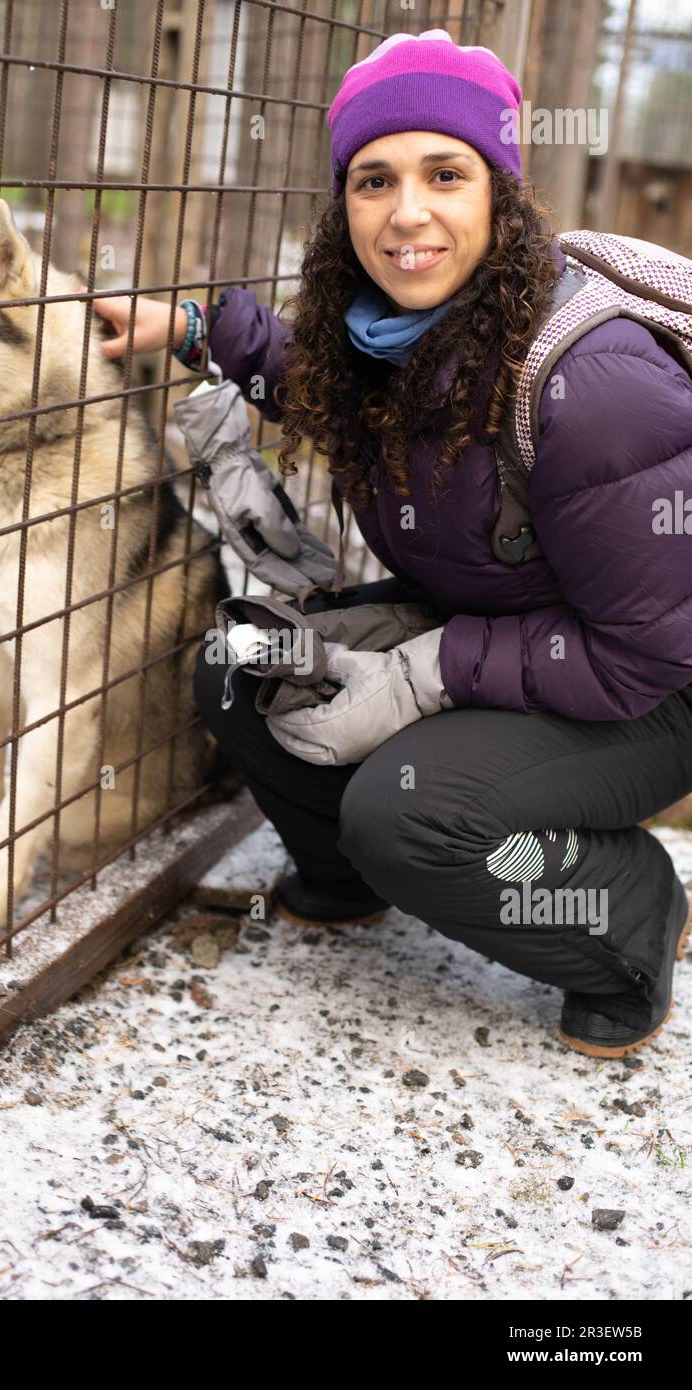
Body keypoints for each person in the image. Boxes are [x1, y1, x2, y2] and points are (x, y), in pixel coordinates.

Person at [90, 28, 692, 1059]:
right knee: (242, 662)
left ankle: (624, 916)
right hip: (502, 631)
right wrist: (195, 328)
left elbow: (644, 654)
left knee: (406, 808)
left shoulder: (597, 390)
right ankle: (349, 877)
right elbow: (328, 386)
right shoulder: (391, 329)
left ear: (499, 195)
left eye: (443, 174)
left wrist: (421, 675)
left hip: (648, 691)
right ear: (344, 206)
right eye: (373, 179)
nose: (406, 211)